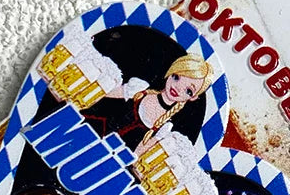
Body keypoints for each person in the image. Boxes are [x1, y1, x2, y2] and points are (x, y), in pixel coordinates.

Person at [82, 54, 215, 156]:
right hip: (87, 132)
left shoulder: (165, 126)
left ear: (193, 97)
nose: (178, 88)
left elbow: (137, 154)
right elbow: (102, 94)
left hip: (109, 155)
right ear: (170, 72)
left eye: (188, 90)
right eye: (176, 77)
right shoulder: (140, 89)